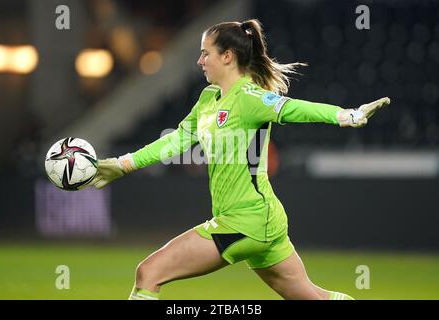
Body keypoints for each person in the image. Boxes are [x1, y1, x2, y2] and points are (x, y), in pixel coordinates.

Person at [89, 19, 390, 300]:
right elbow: (176, 140)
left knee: (148, 272)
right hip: (259, 219)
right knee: (314, 297)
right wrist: (123, 164)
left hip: (246, 221)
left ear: (228, 56)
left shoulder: (249, 98)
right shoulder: (209, 98)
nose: (199, 61)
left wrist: (346, 115)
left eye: (205, 53)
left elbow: (293, 108)